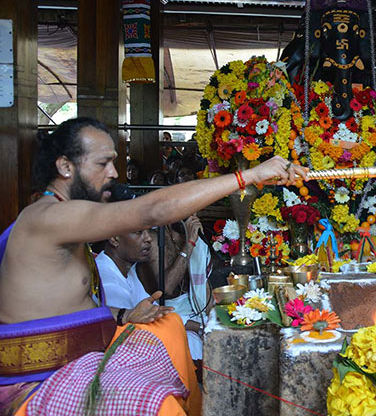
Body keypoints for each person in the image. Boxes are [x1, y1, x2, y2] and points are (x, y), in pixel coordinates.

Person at [0, 117, 307, 415]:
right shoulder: (48, 217)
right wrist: (247, 177)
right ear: (65, 166)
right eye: (102, 164)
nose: (113, 173)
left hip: (79, 356)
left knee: (169, 325)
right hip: (38, 379)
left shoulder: (65, 218)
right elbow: (152, 211)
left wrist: (124, 315)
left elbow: (63, 305)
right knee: (157, 403)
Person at [96, 226, 204, 362]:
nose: (148, 239)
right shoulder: (108, 281)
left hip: (140, 344)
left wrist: (201, 328)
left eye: (147, 231)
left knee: (192, 339)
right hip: (128, 359)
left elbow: (154, 312)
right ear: (114, 239)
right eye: (138, 232)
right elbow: (126, 337)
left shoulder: (127, 270)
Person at [137, 216, 210, 361]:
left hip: (195, 314)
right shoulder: (154, 239)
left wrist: (212, 321)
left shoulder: (192, 236)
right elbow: (167, 288)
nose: (193, 215)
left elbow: (203, 287)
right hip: (166, 319)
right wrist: (189, 244)